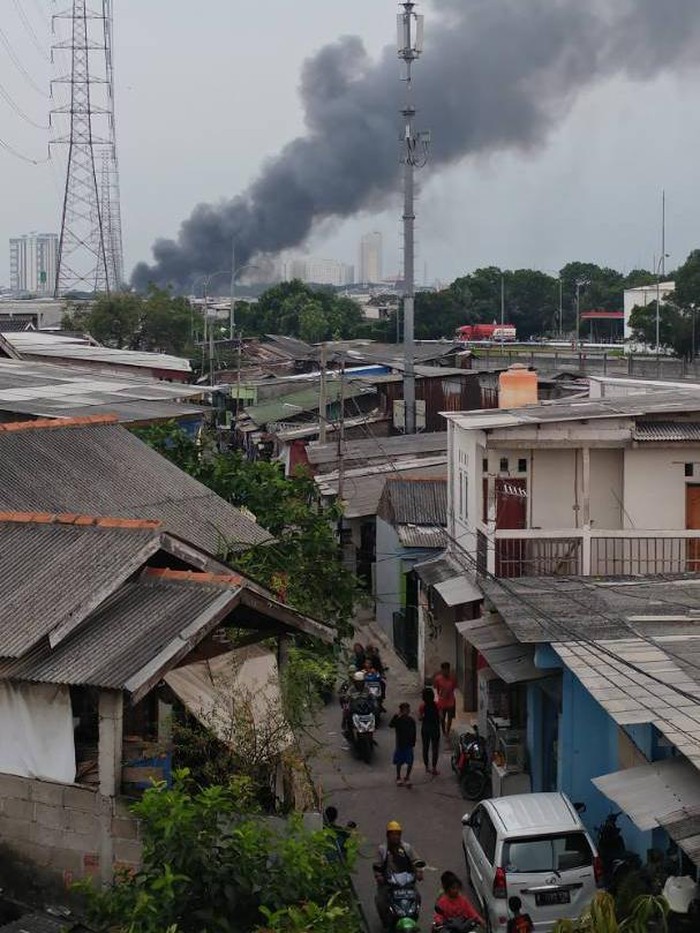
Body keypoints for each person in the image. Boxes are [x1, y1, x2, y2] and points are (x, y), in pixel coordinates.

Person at [374, 820, 423, 927]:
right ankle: (386, 923)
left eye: (397, 834)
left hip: (406, 882)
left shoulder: (407, 848)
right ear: (388, 835)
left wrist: (419, 872)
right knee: (380, 901)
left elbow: (416, 860)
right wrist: (379, 876)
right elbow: (377, 865)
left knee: (417, 897)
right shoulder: (382, 849)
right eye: (393, 834)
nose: (395, 836)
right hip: (389, 883)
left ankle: (413, 917)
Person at [389, 702, 417, 787]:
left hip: (408, 744)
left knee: (410, 762)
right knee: (399, 762)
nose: (407, 711)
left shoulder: (411, 720)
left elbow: (414, 731)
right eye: (405, 709)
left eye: (408, 709)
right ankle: (398, 777)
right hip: (400, 744)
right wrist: (395, 716)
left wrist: (413, 742)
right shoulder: (398, 720)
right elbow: (391, 725)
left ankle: (407, 777)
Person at [418, 686, 441, 776]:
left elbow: (420, 718)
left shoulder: (422, 706)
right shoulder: (437, 705)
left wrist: (424, 717)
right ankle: (434, 768)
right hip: (435, 728)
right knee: (435, 748)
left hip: (425, 728)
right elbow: (441, 716)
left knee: (425, 748)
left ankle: (427, 767)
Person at [433, 661, 458, 736]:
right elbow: (436, 689)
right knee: (442, 718)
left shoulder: (452, 679)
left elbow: (453, 687)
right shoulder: (438, 679)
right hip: (442, 702)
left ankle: (448, 731)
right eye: (444, 670)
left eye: (447, 670)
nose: (446, 671)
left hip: (451, 701)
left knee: (450, 717)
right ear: (442, 670)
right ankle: (443, 731)